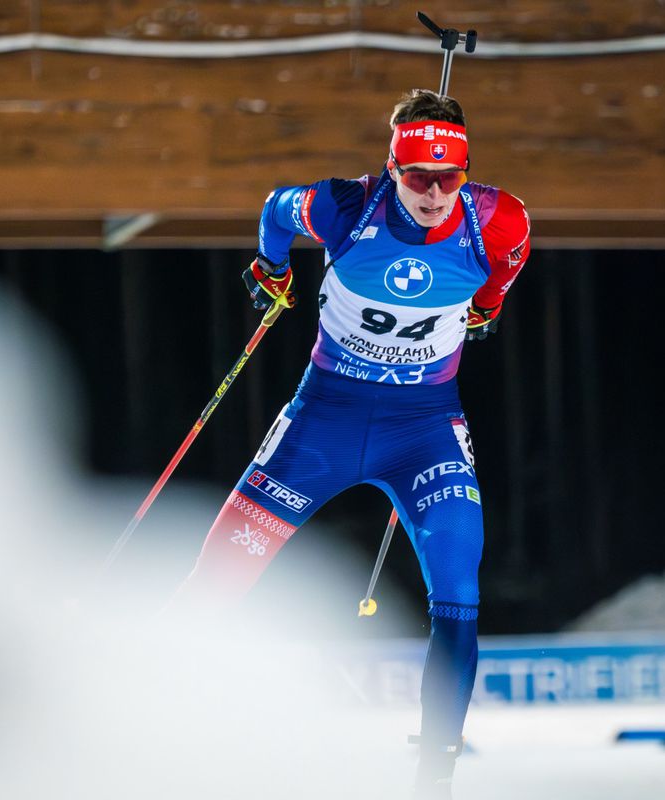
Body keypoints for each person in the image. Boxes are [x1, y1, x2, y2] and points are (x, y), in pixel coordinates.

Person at [176, 88, 530, 798]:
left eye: (449, 178)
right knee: (213, 587)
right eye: (418, 177)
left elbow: (504, 269)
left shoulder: (498, 217)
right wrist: (274, 271)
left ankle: (437, 770)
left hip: (425, 431)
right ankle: (153, 730)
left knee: (459, 590)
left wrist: (485, 308)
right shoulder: (347, 206)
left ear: (467, 173)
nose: (434, 194)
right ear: (392, 167)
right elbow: (278, 209)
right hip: (324, 422)